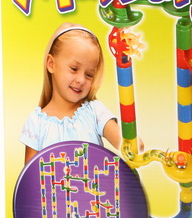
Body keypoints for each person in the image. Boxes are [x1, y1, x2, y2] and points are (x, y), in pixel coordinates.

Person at [20, 23, 122, 164]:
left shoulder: (95, 112)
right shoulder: (36, 122)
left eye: (89, 75)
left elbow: (127, 145)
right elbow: (30, 174)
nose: (81, 80)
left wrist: (133, 146)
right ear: (51, 64)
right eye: (74, 69)